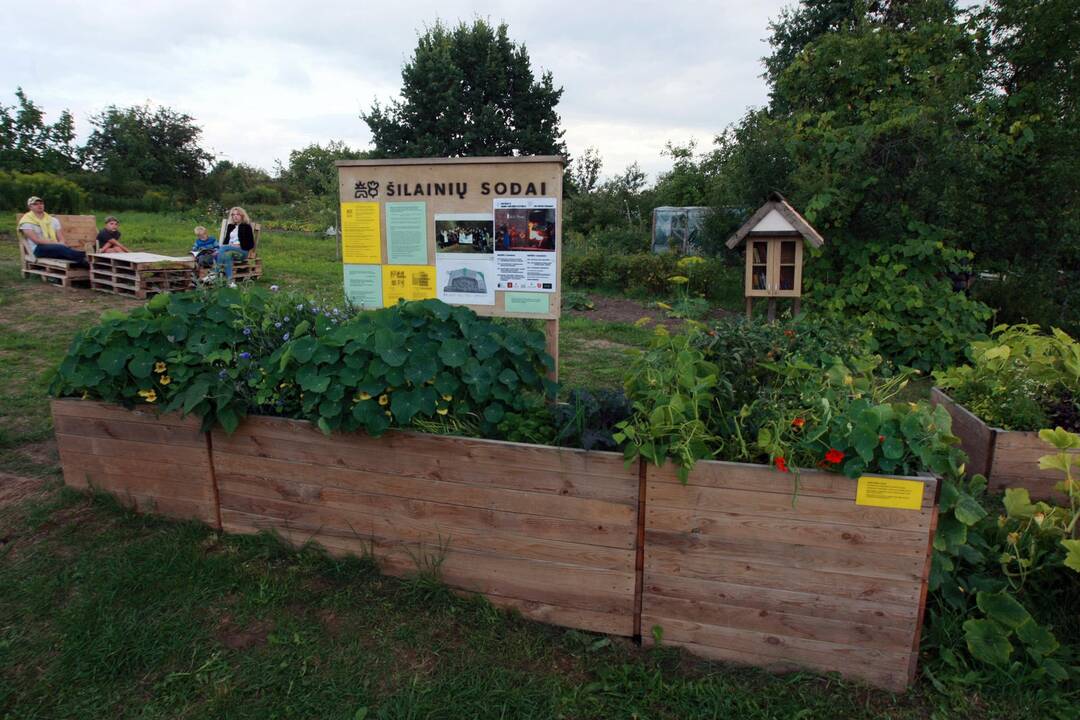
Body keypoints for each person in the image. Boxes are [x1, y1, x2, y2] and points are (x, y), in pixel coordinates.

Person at [17, 196, 88, 267]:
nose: (39, 205)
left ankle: (85, 262)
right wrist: (56, 243)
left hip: (55, 246)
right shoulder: (26, 221)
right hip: (37, 248)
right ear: (30, 207)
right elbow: (37, 240)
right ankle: (87, 256)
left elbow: (61, 238)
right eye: (35, 204)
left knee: (63, 250)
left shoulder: (53, 220)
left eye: (41, 203)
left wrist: (61, 243)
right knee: (61, 249)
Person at [214, 206, 255, 288]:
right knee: (227, 255)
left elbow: (251, 244)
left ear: (242, 216)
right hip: (229, 250)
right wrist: (229, 246)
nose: (235, 216)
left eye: (238, 214)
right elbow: (225, 242)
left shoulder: (246, 227)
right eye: (233, 214)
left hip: (242, 252)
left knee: (222, 249)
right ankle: (230, 282)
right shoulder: (231, 226)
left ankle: (214, 274)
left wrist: (238, 245)